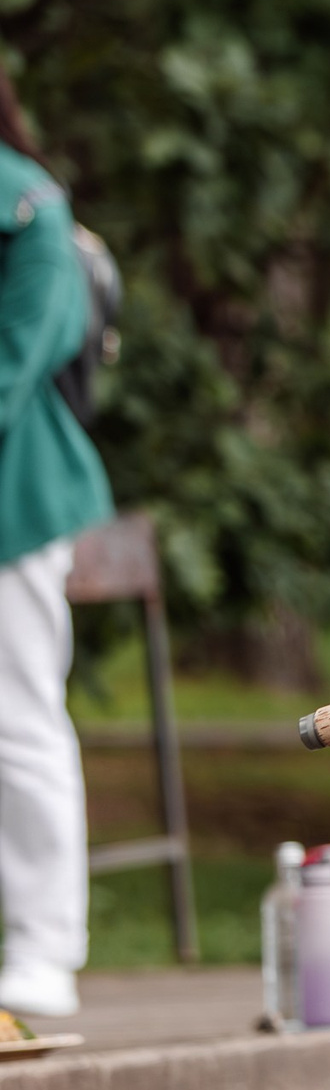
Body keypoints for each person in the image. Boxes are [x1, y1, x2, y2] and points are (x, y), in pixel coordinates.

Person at [0, 66, 113, 1020]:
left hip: (15, 503)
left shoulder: (30, 205)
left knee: (16, 717)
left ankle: (44, 947)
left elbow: (10, 367)